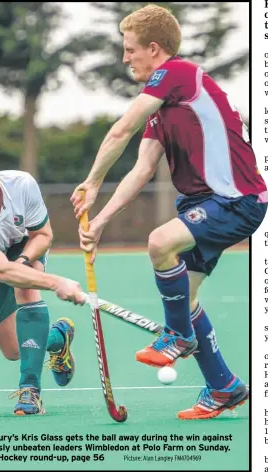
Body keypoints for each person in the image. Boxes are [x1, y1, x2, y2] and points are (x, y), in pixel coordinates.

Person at [71, 4, 268, 420]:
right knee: (188, 298)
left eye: (130, 49)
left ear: (154, 49)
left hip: (236, 200)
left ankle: (175, 336)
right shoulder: (164, 110)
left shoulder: (177, 73)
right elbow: (142, 169)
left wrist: (90, 181)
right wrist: (101, 220)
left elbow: (120, 129)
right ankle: (224, 387)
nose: (125, 58)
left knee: (160, 242)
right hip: (205, 203)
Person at [0, 138, 85, 416]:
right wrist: (58, 282)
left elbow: (43, 235)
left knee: (26, 288)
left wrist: (23, 261)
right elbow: (0, 270)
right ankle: (58, 337)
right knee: (14, 350)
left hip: (24, 246)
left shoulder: (21, 185)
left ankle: (30, 390)